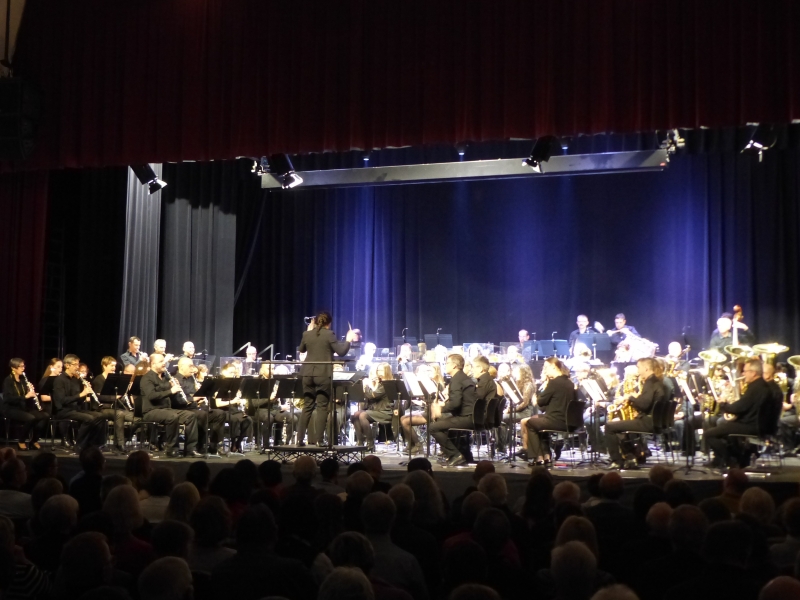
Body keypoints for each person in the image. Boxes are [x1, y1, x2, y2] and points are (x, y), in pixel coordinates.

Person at [296, 311, 355, 446]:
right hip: (322, 374)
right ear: (329, 323)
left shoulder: (307, 334)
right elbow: (341, 351)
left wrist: (308, 332)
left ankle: (299, 440)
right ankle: (319, 440)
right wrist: (348, 340)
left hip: (307, 374)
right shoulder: (329, 334)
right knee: (322, 407)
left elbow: (302, 349)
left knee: (307, 406)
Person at [704, 358, 772, 469]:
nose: (743, 374)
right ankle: (733, 459)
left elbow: (740, 407)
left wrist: (723, 405)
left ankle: (729, 460)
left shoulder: (755, 388)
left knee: (709, 434)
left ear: (753, 373)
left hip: (752, 426)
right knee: (723, 428)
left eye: (745, 371)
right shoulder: (761, 386)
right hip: (756, 424)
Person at [603, 357, 666, 470]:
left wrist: (630, 397)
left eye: (639, 367)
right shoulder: (656, 381)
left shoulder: (650, 382)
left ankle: (617, 461)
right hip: (653, 420)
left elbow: (644, 405)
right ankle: (630, 456)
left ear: (646, 368)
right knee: (619, 428)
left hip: (648, 422)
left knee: (609, 427)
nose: (638, 371)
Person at [140, 353, 199, 458]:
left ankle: (190, 449)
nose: (164, 363)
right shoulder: (147, 378)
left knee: (190, 416)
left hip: (166, 409)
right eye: (161, 361)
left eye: (164, 361)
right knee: (172, 417)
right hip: (151, 411)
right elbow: (151, 396)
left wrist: (176, 389)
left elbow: (168, 393)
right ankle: (172, 449)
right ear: (153, 364)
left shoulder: (165, 377)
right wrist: (171, 390)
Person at [429, 353, 477, 467]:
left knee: (433, 427)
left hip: (466, 418)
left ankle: (455, 455)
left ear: (455, 365)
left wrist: (440, 409)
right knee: (443, 423)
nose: (445, 365)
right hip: (473, 416)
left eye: (447, 363)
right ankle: (464, 454)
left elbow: (455, 404)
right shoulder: (463, 377)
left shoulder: (456, 380)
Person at [524, 357, 574, 466]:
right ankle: (546, 456)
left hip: (557, 421)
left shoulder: (554, 383)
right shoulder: (569, 383)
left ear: (554, 367)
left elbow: (541, 402)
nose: (545, 370)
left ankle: (537, 457)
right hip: (568, 421)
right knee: (538, 421)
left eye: (546, 367)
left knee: (530, 423)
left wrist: (539, 393)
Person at [52, 354, 107, 451]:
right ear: (67, 365)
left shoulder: (76, 380)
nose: (77, 367)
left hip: (75, 409)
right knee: (89, 419)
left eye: (78, 364)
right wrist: (81, 394)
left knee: (101, 416)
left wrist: (85, 391)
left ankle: (95, 444)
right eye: (75, 365)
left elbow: (79, 400)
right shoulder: (59, 380)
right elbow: (62, 400)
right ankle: (79, 445)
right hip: (63, 411)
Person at [174, 356, 224, 454]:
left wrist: (201, 394)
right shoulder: (175, 379)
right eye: (190, 366)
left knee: (220, 414)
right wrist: (194, 399)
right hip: (184, 409)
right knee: (201, 415)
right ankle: (199, 446)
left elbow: (196, 396)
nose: (193, 369)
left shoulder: (192, 379)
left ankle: (214, 446)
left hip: (196, 408)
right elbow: (178, 399)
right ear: (182, 366)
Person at [2, 358, 49, 451]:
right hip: (10, 409)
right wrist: (25, 396)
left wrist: (30, 391)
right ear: (13, 368)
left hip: (22, 408)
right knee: (30, 418)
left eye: (24, 366)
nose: (23, 368)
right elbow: (8, 398)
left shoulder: (23, 379)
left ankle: (34, 440)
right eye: (21, 366)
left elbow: (26, 396)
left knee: (45, 416)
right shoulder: (8, 380)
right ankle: (21, 441)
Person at [91, 356, 134, 454]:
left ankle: (123, 439)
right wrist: (114, 397)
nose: (114, 368)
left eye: (114, 366)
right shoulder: (99, 379)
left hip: (114, 407)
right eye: (111, 366)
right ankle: (120, 444)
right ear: (104, 366)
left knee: (135, 417)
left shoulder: (114, 379)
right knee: (119, 414)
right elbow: (98, 397)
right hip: (101, 408)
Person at [252, 363, 297, 447]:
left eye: (273, 369)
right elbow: (255, 403)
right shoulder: (256, 383)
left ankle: (286, 444)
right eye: (269, 369)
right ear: (262, 370)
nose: (271, 371)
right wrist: (269, 399)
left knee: (293, 418)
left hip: (275, 409)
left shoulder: (276, 382)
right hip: (261, 409)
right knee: (269, 418)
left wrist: (280, 399)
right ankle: (266, 445)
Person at [351, 363, 394, 452]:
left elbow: (372, 395)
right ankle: (360, 442)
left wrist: (367, 385)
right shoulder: (379, 383)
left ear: (386, 371)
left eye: (381, 370)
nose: (378, 372)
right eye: (378, 370)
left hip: (385, 412)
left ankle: (370, 444)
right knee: (355, 415)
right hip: (375, 410)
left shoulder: (388, 384)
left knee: (362, 415)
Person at [216, 362, 254, 453]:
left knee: (248, 420)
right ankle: (233, 443)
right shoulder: (219, 384)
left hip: (233, 410)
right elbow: (218, 404)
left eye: (234, 372)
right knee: (235, 419)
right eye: (230, 372)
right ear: (224, 372)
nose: (232, 375)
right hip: (222, 411)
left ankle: (238, 442)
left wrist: (239, 399)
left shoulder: (234, 384)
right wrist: (233, 401)